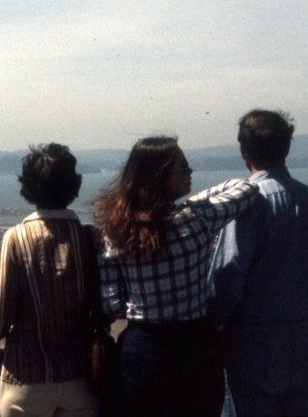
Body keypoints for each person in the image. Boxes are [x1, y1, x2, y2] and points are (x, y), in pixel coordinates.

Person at [94, 136, 260, 416]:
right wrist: (194, 202)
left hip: (143, 352)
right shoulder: (198, 218)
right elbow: (246, 188)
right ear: (161, 178)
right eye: (183, 168)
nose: (190, 171)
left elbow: (111, 305)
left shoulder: (115, 233)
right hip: (196, 349)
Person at [209, 110, 308, 416]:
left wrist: (214, 322)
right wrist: (298, 306)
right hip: (301, 342)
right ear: (287, 147)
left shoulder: (248, 204)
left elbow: (227, 278)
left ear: (243, 149)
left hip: (252, 345)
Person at [0, 143, 100, 417]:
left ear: (28, 188)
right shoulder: (90, 238)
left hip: (26, 381)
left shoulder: (17, 238)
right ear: (74, 185)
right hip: (81, 379)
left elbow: (1, 311)